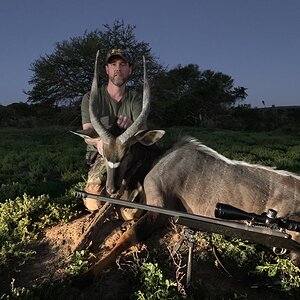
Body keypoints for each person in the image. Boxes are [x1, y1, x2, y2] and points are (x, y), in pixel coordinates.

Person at [80, 48, 145, 210]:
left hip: (128, 156)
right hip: (104, 156)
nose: (118, 68)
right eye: (113, 64)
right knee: (93, 203)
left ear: (129, 70)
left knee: (133, 209)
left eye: (123, 64)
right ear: (107, 69)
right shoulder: (91, 98)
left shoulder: (136, 98)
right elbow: (87, 133)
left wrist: (132, 126)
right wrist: (98, 141)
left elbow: (143, 130)